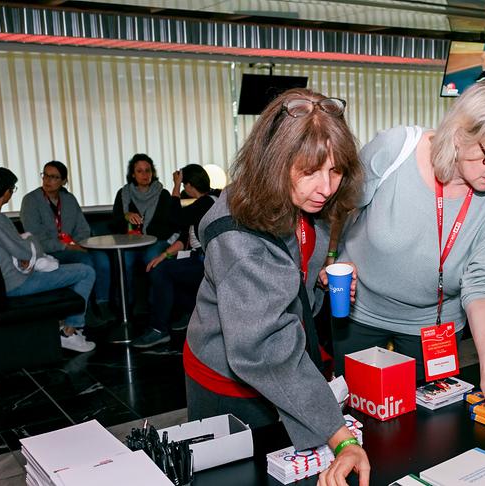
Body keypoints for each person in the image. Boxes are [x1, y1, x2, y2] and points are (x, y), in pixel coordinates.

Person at [183, 88, 369, 485]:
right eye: (310, 171)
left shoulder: (302, 203)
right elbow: (263, 350)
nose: (326, 187)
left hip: (279, 364)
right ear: (274, 163)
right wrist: (340, 438)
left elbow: (287, 285)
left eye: (336, 171)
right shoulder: (239, 239)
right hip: (227, 380)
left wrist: (313, 285)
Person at [332, 80, 485, 426]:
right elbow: (340, 205)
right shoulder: (395, 150)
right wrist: (332, 262)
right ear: (459, 135)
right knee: (357, 419)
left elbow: (483, 282)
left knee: (432, 426)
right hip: (361, 311)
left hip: (435, 324)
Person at [0, 167, 97, 353]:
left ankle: (64, 324)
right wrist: (29, 240)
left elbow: (17, 248)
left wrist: (24, 247)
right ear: (7, 192)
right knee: (86, 271)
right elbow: (26, 251)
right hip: (16, 283)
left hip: (10, 277)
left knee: (73, 265)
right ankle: (69, 332)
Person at [131, 164, 216, 348]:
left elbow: (174, 217)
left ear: (190, 185)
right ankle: (190, 313)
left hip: (207, 262)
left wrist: (176, 186)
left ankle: (158, 329)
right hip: (198, 257)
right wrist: (163, 256)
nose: (184, 189)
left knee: (161, 273)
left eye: (185, 185)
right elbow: (185, 236)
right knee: (159, 267)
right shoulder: (206, 203)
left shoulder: (207, 202)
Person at [20, 160, 113, 323]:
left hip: (73, 248)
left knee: (103, 259)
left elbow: (83, 228)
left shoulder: (69, 199)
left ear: (63, 181)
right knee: (85, 261)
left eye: (54, 177)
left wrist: (77, 244)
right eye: (45, 175)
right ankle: (85, 310)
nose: (48, 180)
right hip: (46, 253)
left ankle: (102, 303)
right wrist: (68, 246)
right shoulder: (31, 200)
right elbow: (36, 237)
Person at [111, 153, 178, 308]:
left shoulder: (163, 194)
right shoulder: (123, 194)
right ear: (133, 174)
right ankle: (125, 307)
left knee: (152, 257)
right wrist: (126, 216)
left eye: (148, 170)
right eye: (140, 171)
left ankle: (156, 305)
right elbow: (115, 223)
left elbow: (169, 225)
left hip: (156, 241)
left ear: (152, 173)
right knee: (124, 261)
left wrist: (147, 234)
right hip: (130, 243)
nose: (144, 175)